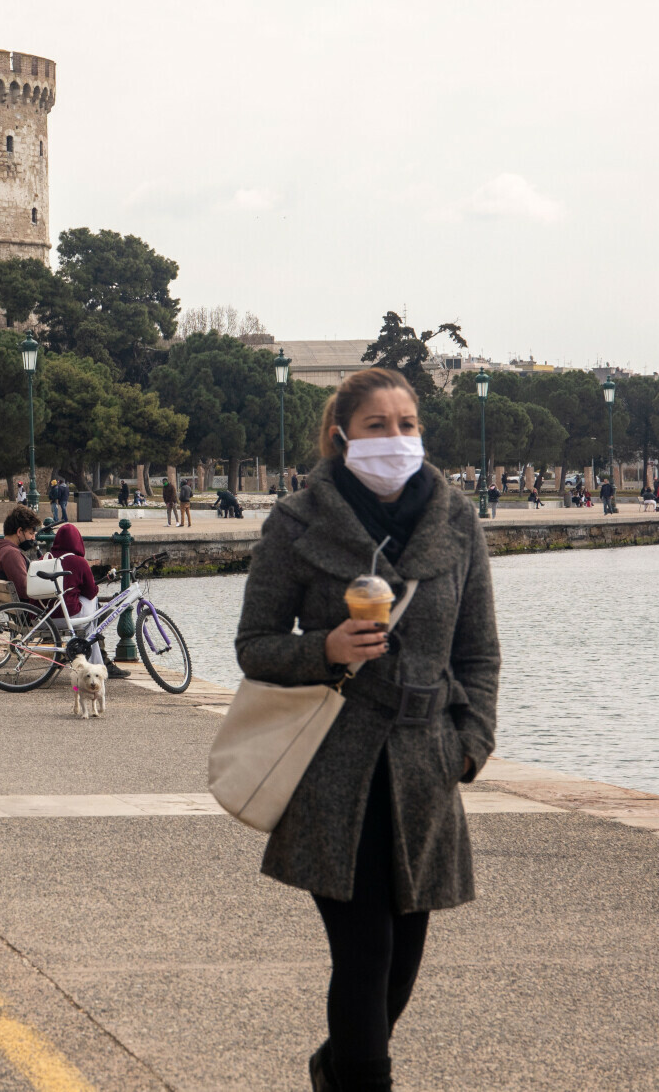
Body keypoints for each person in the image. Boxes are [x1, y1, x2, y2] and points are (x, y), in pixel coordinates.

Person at [234, 365, 500, 1092]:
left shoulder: (456, 519)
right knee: (365, 952)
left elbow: (479, 652)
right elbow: (254, 642)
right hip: (333, 770)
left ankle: (335, 1066)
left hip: (425, 768)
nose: (395, 439)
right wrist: (324, 648)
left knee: (402, 965)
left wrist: (468, 746)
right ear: (341, 434)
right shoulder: (297, 522)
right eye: (378, 425)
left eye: (407, 425)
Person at [49, 521, 127, 677]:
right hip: (67, 618)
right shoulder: (78, 562)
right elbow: (91, 592)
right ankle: (99, 663)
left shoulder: (45, 558)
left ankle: (95, 659)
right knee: (92, 605)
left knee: (90, 618)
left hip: (44, 619)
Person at [0, 505, 42, 602]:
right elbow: (24, 589)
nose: (33, 538)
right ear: (19, 531)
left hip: (11, 607)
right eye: (31, 533)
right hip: (29, 611)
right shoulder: (11, 554)